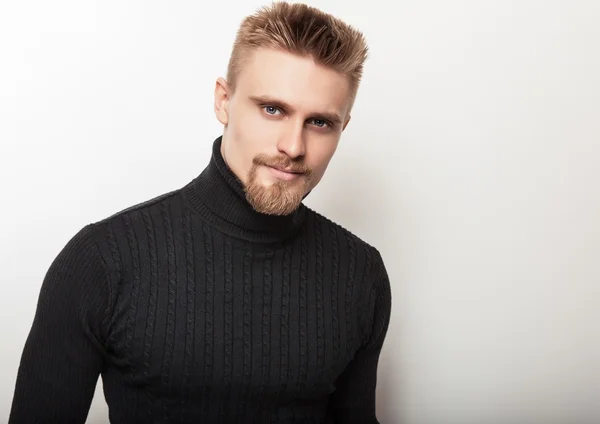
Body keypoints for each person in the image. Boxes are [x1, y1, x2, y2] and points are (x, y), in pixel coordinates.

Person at [9, 2, 392, 423]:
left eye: (319, 122)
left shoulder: (360, 273)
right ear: (223, 101)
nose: (294, 146)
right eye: (272, 109)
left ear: (343, 127)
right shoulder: (101, 261)